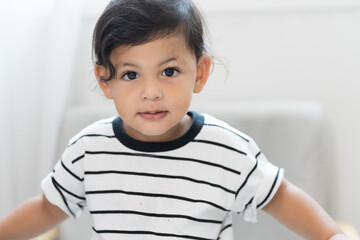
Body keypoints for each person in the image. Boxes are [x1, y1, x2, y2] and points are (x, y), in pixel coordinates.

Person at [0, 0, 353, 239]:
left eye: (169, 71)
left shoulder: (225, 149)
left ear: (199, 73)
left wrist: (331, 235)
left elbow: (280, 196)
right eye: (130, 75)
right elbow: (47, 208)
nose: (151, 92)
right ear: (104, 80)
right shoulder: (88, 150)